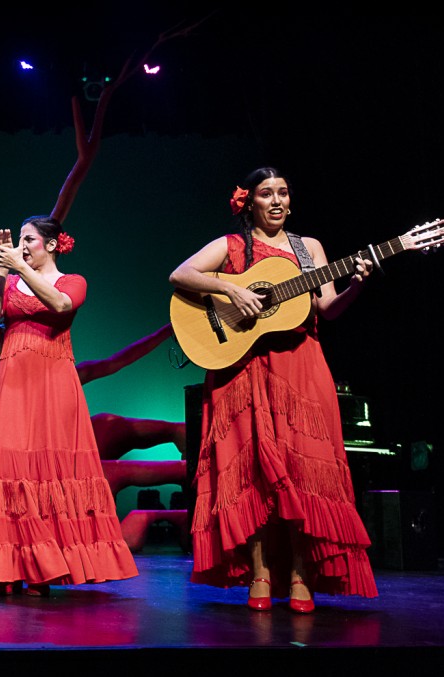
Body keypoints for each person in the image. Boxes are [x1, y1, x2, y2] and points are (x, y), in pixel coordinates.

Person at [169, 166, 378, 613]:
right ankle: (260, 573)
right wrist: (231, 290)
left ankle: (302, 574)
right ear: (250, 202)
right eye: (267, 193)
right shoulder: (232, 246)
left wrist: (357, 285)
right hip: (243, 367)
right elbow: (180, 275)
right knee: (253, 475)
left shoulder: (309, 248)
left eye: (283, 192)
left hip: (301, 365)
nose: (278, 200)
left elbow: (327, 307)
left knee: (304, 471)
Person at [0, 216, 138, 595]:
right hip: (14, 383)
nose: (22, 246)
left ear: (52, 245)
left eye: (30, 240)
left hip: (53, 383)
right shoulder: (13, 279)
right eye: (20, 240)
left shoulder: (72, 281)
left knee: (48, 469)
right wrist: (2, 270)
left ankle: (45, 568)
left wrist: (20, 266)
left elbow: (59, 304)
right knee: (10, 468)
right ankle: (6, 567)